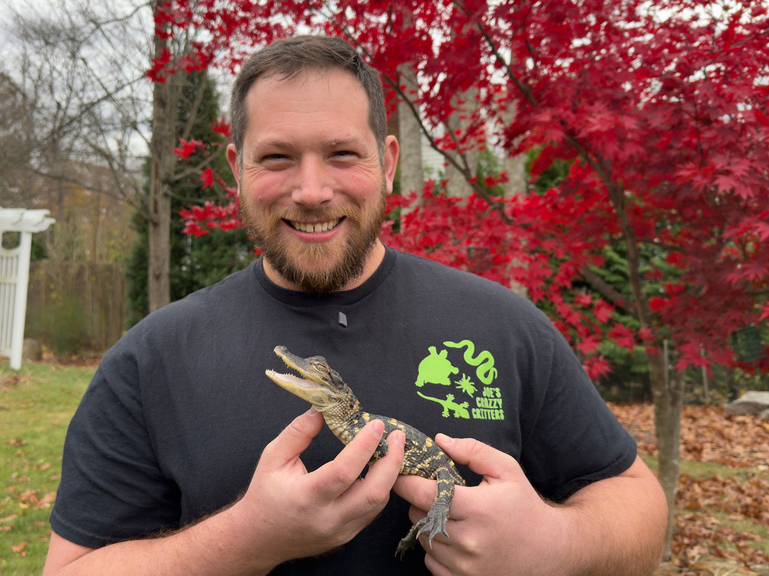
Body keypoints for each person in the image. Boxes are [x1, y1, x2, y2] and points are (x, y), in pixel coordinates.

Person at [43, 35, 668, 576]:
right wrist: (244, 540)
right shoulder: (150, 358)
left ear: (388, 163)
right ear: (236, 171)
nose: (312, 190)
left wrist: (554, 548)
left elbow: (637, 503)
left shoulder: (505, 326)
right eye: (277, 157)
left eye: (343, 154)